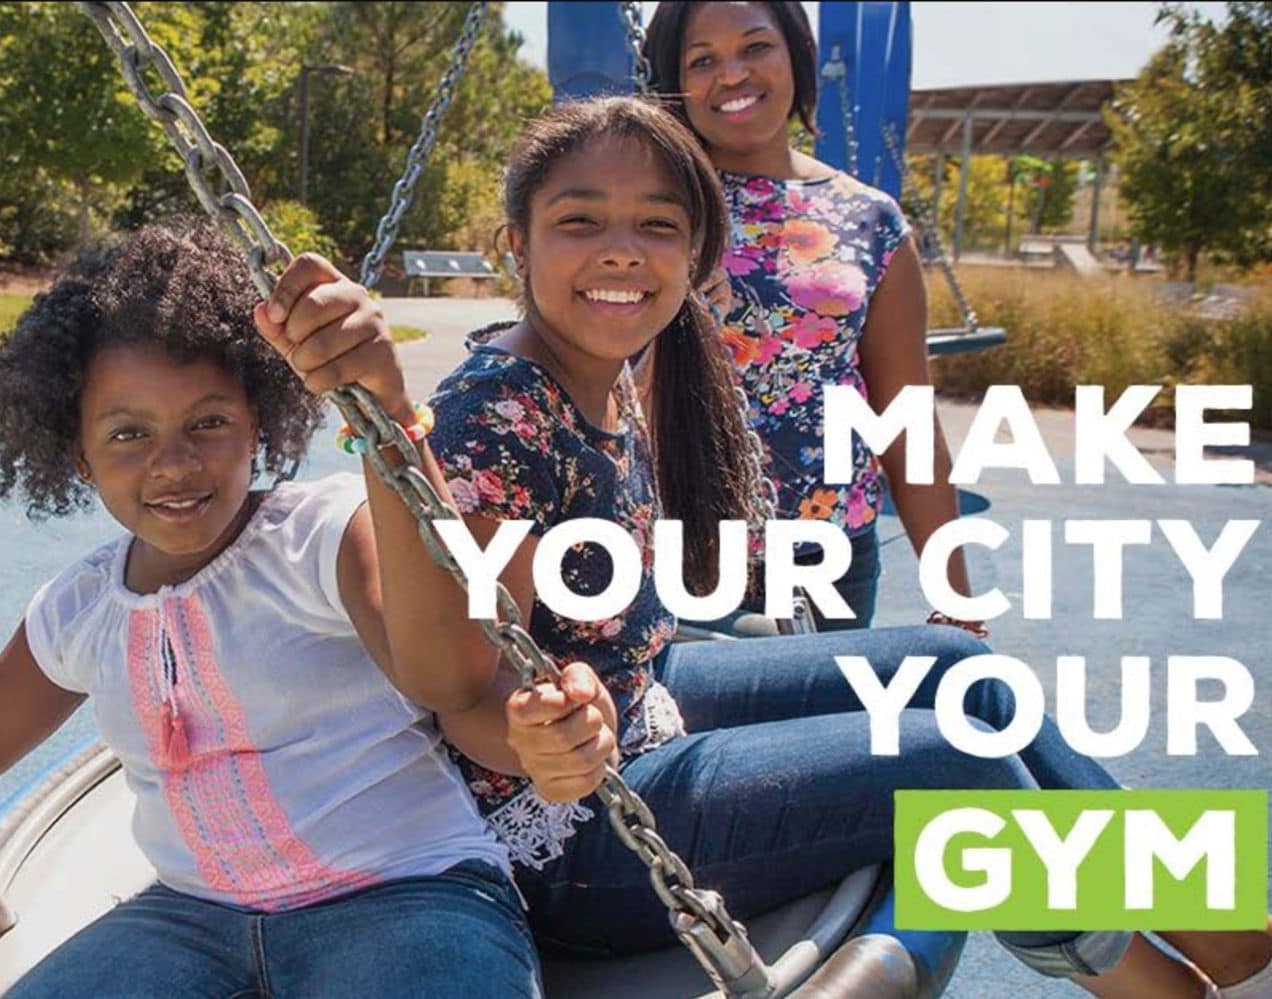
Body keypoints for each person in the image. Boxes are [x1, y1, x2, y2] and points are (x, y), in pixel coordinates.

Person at [416, 95, 1272, 999]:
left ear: (696, 254)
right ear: (516, 244)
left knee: (961, 669)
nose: (622, 249)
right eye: (579, 220)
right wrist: (544, 735)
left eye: (657, 225)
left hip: (647, 704)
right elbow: (470, 686)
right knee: (957, 759)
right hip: (576, 833)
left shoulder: (611, 373)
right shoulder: (497, 417)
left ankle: (1224, 932)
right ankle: (1167, 988)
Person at [0, 223, 548, 997]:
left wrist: (385, 413)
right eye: (128, 435)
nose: (174, 463)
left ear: (259, 420)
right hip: (190, 919)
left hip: (404, 893)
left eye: (209, 422)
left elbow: (451, 675)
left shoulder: (323, 534)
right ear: (78, 455)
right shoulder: (81, 608)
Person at [642, 0, 975, 631]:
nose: (733, 74)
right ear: (672, 83)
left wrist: (954, 594)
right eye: (702, 60)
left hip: (830, 559)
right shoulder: (650, 207)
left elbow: (905, 418)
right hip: (675, 551)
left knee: (829, 730)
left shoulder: (870, 221)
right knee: (683, 730)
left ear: (797, 51)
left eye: (755, 47)